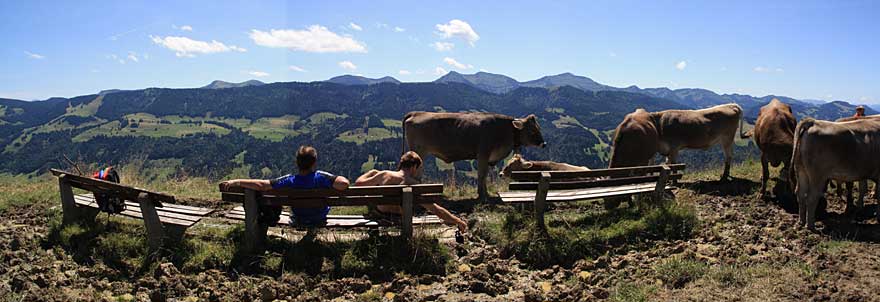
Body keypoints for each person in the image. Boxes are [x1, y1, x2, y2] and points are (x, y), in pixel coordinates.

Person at [220, 145, 350, 226]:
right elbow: (344, 184)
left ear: (297, 162)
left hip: (299, 219)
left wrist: (236, 181)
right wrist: (326, 175)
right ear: (314, 162)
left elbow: (262, 185)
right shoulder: (321, 177)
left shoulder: (289, 180)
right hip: (319, 219)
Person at [355, 151, 468, 233]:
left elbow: (359, 184)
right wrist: (458, 221)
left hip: (379, 216)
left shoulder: (384, 174)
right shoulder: (413, 183)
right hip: (400, 219)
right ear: (414, 167)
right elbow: (435, 209)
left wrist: (371, 172)